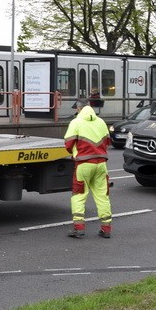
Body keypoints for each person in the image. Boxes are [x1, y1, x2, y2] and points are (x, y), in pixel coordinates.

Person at [64, 102, 113, 238]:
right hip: (101, 164)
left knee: (79, 196)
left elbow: (68, 144)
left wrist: (76, 152)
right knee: (103, 196)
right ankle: (106, 228)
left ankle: (79, 228)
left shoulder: (76, 122)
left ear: (79, 109)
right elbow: (108, 141)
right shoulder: (101, 122)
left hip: (83, 164)